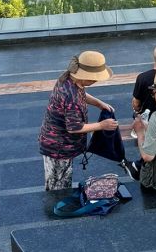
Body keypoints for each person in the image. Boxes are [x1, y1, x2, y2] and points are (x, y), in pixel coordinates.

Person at [38, 50, 118, 191]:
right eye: (94, 78)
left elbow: (81, 93)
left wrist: (99, 103)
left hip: (55, 141)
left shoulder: (69, 79)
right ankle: (56, 209)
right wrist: (101, 125)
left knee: (58, 181)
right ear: (84, 77)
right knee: (59, 186)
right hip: (58, 148)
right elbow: (74, 128)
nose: (95, 81)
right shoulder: (71, 97)